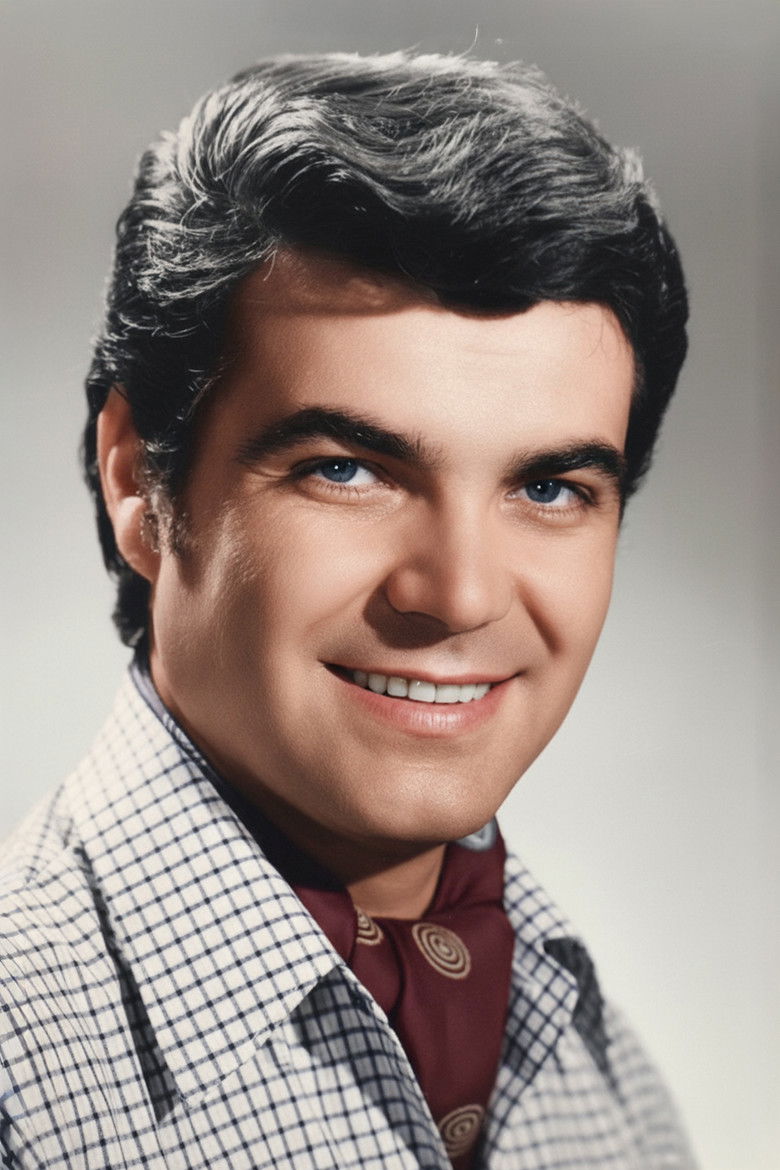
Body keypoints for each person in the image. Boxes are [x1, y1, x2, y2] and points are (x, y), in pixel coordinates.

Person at [0, 50, 695, 1169]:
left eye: (548, 488)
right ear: (139, 482)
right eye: (347, 470)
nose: (461, 595)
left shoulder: (607, 1086)